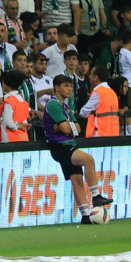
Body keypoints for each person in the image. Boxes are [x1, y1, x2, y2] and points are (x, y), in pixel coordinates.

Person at [42, 74, 113, 224]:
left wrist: (66, 127)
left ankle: (85, 215)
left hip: (66, 144)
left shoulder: (65, 107)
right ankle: (95, 195)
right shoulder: (54, 104)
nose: (69, 89)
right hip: (61, 146)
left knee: (77, 180)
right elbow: (65, 128)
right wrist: (66, 127)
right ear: (57, 88)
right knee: (89, 160)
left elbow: (77, 128)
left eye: (70, 86)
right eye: (66, 86)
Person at [78, 65, 120, 137]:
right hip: (113, 133)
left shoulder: (98, 92)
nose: (89, 76)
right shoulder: (112, 92)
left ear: (95, 78)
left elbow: (83, 112)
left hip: (100, 134)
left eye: (91, 74)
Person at [0, 70, 31, 142]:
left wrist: (19, 126)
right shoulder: (22, 100)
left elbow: (7, 121)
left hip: (10, 140)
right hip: (23, 138)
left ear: (5, 84)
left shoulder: (9, 101)